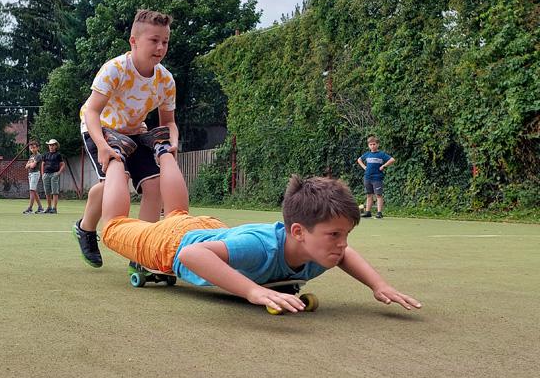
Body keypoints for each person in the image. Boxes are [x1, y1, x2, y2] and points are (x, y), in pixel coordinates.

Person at [98, 134, 422, 313]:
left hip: (211, 231)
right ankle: (115, 155)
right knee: (112, 226)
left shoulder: (320, 250)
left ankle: (161, 146)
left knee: (178, 213)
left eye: (345, 235)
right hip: (173, 244)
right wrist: (252, 291)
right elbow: (190, 255)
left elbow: (346, 256)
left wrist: (378, 285)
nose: (343, 245)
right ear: (299, 232)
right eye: (335, 235)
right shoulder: (261, 247)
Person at [74, 9, 179, 268]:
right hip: (101, 128)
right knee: (118, 178)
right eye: (154, 40)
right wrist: (101, 145)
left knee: (154, 185)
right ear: (134, 41)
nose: (160, 47)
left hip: (135, 131)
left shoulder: (166, 80)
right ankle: (86, 228)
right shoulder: (115, 69)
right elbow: (92, 112)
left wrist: (172, 142)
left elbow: (168, 122)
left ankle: (142, 253)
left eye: (165, 41)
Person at [357, 136, 394, 219]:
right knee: (369, 195)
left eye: (374, 144)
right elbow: (359, 160)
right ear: (368, 145)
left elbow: (392, 159)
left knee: (378, 195)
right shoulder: (367, 154)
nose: (372, 146)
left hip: (377, 178)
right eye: (370, 144)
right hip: (367, 177)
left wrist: (383, 166)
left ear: (377, 144)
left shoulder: (381, 154)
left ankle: (379, 213)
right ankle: (368, 212)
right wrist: (364, 167)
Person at [41, 139, 65, 213]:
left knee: (55, 191)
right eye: (50, 145)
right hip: (46, 174)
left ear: (56, 146)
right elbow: (43, 164)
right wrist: (42, 174)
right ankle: (49, 207)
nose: (51, 146)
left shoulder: (58, 155)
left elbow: (62, 164)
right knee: (47, 192)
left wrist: (58, 173)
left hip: (54, 174)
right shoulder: (45, 154)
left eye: (53, 145)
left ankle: (54, 208)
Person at [24, 139, 44, 214]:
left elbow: (32, 166)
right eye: (31, 148)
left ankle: (30, 208)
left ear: (37, 148)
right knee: (34, 191)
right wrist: (30, 164)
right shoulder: (31, 156)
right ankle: (40, 208)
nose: (32, 149)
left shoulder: (38, 156)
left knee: (32, 190)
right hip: (30, 174)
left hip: (35, 173)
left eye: (34, 147)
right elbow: (26, 166)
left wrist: (30, 164)